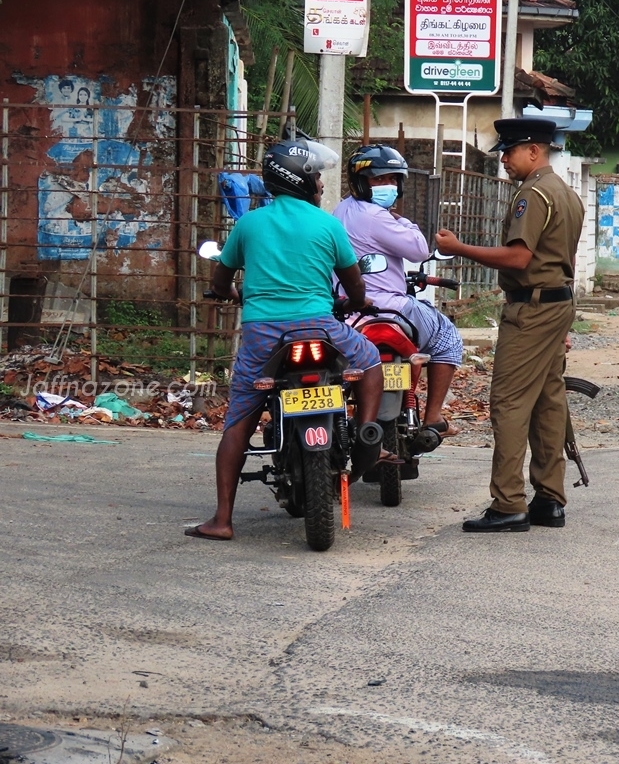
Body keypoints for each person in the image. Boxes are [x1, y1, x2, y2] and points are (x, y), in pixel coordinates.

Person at [186, 139, 387, 542]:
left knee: (239, 419)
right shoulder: (328, 224)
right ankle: (367, 431)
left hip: (263, 335)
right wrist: (359, 302)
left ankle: (222, 520)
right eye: (315, 176)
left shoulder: (249, 224)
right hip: (320, 329)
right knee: (369, 361)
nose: (320, 184)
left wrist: (231, 293)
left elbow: (220, 282)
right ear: (300, 179)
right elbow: (355, 285)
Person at [435, 117, 584, 533]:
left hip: (532, 310)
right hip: (556, 305)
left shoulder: (533, 194)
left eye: (510, 150)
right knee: (548, 400)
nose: (504, 158)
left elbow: (520, 259)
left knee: (509, 401)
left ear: (534, 150)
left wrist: (458, 248)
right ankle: (550, 499)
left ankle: (508, 503)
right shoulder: (566, 194)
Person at [333, 144, 463, 439]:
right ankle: (433, 417)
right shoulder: (378, 217)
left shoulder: (340, 210)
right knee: (448, 337)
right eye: (378, 180)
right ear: (361, 182)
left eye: (392, 180)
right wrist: (400, 220)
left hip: (347, 312)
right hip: (391, 308)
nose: (387, 186)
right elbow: (418, 250)